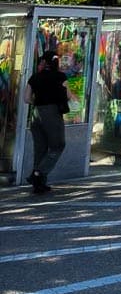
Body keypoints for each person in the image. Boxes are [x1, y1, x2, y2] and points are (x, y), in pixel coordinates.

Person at [24, 51, 69, 194]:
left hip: (36, 113)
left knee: (40, 149)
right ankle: (37, 173)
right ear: (56, 62)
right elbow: (67, 95)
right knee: (58, 145)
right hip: (52, 114)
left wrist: (38, 102)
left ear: (45, 62)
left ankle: (39, 185)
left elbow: (26, 98)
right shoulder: (60, 76)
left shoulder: (35, 77)